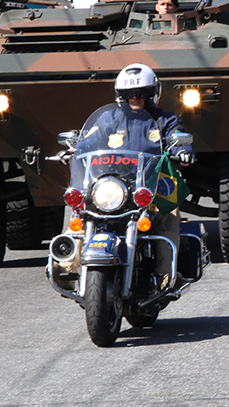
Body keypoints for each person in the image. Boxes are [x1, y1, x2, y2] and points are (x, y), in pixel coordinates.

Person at [78, 64, 191, 291]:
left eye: (140, 94)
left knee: (168, 216)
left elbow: (176, 134)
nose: (135, 99)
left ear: (152, 95)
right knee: (79, 209)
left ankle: (165, 275)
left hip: (150, 183)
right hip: (112, 183)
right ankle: (68, 267)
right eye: (128, 95)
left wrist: (182, 149)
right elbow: (91, 138)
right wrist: (76, 149)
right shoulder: (111, 118)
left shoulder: (164, 120)